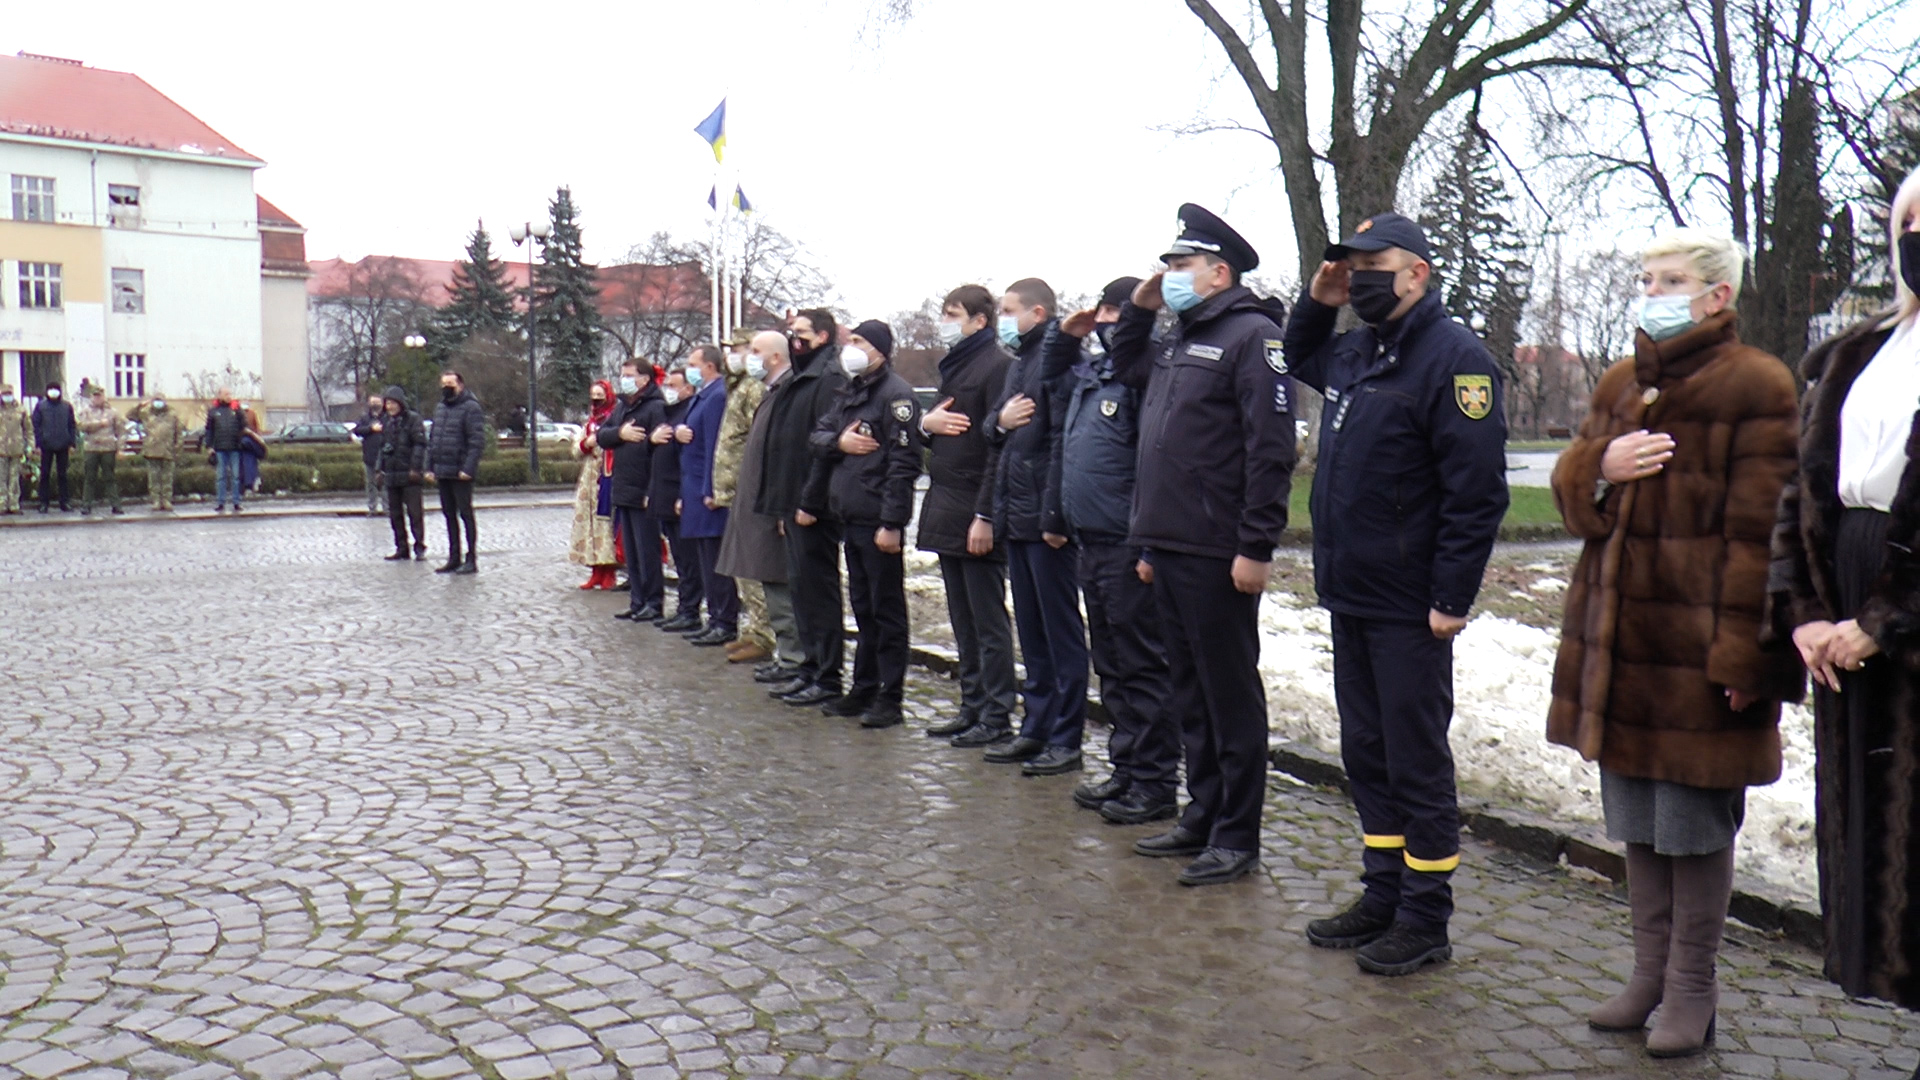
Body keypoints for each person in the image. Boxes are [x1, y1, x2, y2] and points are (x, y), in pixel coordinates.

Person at [1543, 229, 1799, 1054]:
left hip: (1696, 652)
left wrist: (1749, 658)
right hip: (1620, 650)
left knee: (1693, 824)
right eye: (1647, 278)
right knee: (1638, 822)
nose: (1652, 291)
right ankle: (1648, 974)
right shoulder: (1622, 381)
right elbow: (1575, 497)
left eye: (1671, 280)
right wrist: (1597, 468)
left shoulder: (1755, 385)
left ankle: (1694, 988)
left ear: (1717, 296)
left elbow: (1765, 535)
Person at [1283, 212, 1508, 971]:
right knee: (1368, 751)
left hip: (1413, 604)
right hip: (1353, 592)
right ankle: (1382, 892)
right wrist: (1316, 299)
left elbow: (1477, 495)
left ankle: (1425, 917)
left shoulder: (1457, 360)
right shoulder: (1357, 351)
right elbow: (1298, 354)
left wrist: (1452, 597)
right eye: (1351, 266)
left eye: (1372, 264)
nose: (1359, 277)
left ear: (1417, 272)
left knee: (1415, 758)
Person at [1768, 171, 1920, 1027]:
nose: (1917, 239)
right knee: (1874, 854)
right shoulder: (1856, 351)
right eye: (1907, 223)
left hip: (1903, 613)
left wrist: (1884, 622)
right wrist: (1810, 617)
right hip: (1848, 606)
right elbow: (1801, 495)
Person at [1107, 204, 1296, 888]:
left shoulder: (1253, 336)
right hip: (1170, 542)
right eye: (1167, 267)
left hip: (1220, 549)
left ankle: (1237, 835)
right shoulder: (1180, 337)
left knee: (1228, 694)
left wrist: (1257, 543)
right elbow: (1125, 362)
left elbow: (1271, 449)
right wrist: (1138, 303)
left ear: (1220, 272)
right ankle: (1203, 813)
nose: (1170, 276)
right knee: (1190, 691)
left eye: (1180, 266)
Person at [1049, 277, 1180, 822]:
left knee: (1142, 666)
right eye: (1102, 309)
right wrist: (1062, 337)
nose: (1107, 320)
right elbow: (1044, 383)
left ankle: (1155, 783)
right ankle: (1126, 769)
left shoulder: (1141, 374)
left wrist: (1147, 544)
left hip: (1128, 544)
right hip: (1090, 541)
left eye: (1118, 312)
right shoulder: (1091, 375)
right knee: (1113, 665)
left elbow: (1155, 462)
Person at [984, 278, 1088, 776]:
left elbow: (1065, 443)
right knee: (1032, 631)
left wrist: (1055, 517)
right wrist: (1000, 421)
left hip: (1047, 522)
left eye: (1008, 309)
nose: (1004, 317)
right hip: (1018, 516)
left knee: (1060, 633)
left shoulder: (1059, 362)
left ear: (1038, 312)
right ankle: (1037, 727)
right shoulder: (1020, 363)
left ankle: (1067, 738)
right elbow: (994, 429)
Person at [801, 320, 923, 729]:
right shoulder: (849, 393)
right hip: (848, 514)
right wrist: (839, 443)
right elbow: (816, 438)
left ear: (880, 351)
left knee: (886, 611)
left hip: (876, 519)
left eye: (857, 342)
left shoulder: (896, 396)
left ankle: (890, 696)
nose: (848, 348)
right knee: (863, 608)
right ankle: (864, 687)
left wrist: (892, 522)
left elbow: (904, 465)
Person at [920, 285, 1018, 746]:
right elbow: (942, 430)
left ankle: (996, 714)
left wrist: (986, 514)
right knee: (962, 617)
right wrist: (925, 426)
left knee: (987, 620)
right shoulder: (957, 364)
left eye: (953, 313)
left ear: (980, 320)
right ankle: (972, 704)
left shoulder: (997, 366)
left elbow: (997, 448)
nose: (945, 320)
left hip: (974, 508)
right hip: (947, 503)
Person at [756, 310, 849, 707]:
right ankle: (809, 668)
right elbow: (785, 446)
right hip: (792, 504)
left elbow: (821, 448)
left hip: (813, 507)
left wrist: (809, 502)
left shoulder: (827, 379)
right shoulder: (800, 376)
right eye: (791, 333)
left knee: (819, 593)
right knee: (802, 592)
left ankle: (826, 675)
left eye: (803, 333)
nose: (794, 339)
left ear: (823, 336)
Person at [719, 332, 809, 683]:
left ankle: (790, 656)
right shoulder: (772, 390)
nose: (747, 358)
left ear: (774, 357)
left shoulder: (784, 391)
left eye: (754, 351)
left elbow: (788, 453)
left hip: (773, 503)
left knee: (775, 580)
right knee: (764, 578)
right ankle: (785, 653)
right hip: (756, 496)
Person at [714, 333, 771, 663]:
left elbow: (757, 438)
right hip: (732, 489)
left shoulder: (755, 387)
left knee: (752, 569)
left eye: (739, 350)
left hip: (746, 488)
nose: (733, 355)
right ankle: (752, 630)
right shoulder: (737, 384)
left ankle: (764, 635)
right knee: (741, 570)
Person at [679, 345, 740, 646]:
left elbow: (717, 447)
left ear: (710, 367)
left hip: (708, 490)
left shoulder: (716, 396)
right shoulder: (705, 394)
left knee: (716, 560)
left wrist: (713, 488)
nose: (689, 369)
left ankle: (725, 620)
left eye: (693, 364)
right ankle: (715, 617)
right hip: (695, 487)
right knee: (705, 557)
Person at [602, 359, 669, 621]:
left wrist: (652, 489)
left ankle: (653, 602)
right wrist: (621, 433)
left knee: (648, 549)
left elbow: (659, 448)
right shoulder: (622, 407)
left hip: (644, 489)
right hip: (624, 487)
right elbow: (603, 436)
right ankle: (637, 599)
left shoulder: (656, 407)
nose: (624, 379)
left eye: (629, 375)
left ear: (644, 379)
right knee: (631, 550)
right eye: (622, 375)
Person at [652, 365, 704, 631]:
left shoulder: (689, 412)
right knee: (681, 559)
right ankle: (685, 607)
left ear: (688, 387)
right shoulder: (670, 412)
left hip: (680, 495)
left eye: (673, 385)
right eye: (668, 385)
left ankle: (691, 609)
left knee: (689, 559)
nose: (668, 391)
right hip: (665, 494)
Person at [427, 371, 486, 574]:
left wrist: (468, 469)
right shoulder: (441, 408)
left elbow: (476, 442)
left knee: (465, 514)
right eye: (443, 383)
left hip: (461, 472)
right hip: (443, 470)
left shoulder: (471, 408)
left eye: (450, 383)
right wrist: (429, 467)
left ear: (460, 385)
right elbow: (433, 438)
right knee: (449, 515)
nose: (446, 387)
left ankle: (471, 559)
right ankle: (454, 557)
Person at [570, 380, 620, 589]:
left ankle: (609, 571)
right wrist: (585, 444)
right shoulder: (589, 423)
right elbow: (575, 451)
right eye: (593, 394)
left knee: (605, 525)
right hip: (589, 480)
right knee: (589, 525)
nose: (596, 399)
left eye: (600, 394)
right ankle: (595, 571)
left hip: (607, 477)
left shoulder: (614, 419)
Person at [376, 386, 429, 561]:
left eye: (392, 403)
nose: (390, 407)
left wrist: (416, 468)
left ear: (400, 403)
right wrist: (379, 469)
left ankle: (419, 546)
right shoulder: (386, 422)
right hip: (392, 474)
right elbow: (382, 448)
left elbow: (420, 445)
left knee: (415, 513)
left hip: (409, 474)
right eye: (387, 403)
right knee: (395, 514)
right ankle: (402, 547)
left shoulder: (412, 419)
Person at [75, 385, 126, 516]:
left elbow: (121, 431)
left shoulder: (113, 412)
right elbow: (81, 426)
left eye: (100, 396)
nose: (97, 398)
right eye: (95, 396)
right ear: (91, 397)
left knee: (110, 478)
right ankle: (86, 506)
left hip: (108, 449)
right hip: (91, 449)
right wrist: (99, 424)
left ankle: (116, 505)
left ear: (104, 396)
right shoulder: (85, 411)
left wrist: (120, 449)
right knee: (89, 478)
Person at [131, 393, 186, 512]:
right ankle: (156, 500)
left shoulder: (172, 414)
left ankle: (166, 500)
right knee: (153, 478)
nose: (158, 403)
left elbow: (179, 432)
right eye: (156, 400)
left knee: (167, 478)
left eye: (160, 400)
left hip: (168, 450)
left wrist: (177, 448)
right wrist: (140, 405)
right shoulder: (146, 412)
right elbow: (130, 415)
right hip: (151, 450)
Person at [32, 382, 76, 513]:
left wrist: (72, 443)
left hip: (63, 444)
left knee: (63, 475)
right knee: (45, 474)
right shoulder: (41, 406)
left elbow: (72, 425)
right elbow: (36, 426)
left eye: (56, 389)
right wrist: (38, 444)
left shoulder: (67, 406)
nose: (53, 392)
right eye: (51, 389)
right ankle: (43, 503)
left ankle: (64, 502)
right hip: (46, 445)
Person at [204, 388, 248, 513]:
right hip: (220, 448)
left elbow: (244, 425)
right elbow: (209, 430)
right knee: (221, 477)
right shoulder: (213, 411)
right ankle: (221, 502)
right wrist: (209, 446)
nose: (229, 396)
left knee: (235, 477)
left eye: (230, 393)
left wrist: (239, 410)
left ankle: (236, 502)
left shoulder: (236, 409)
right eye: (226, 394)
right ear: (220, 396)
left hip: (235, 447)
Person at [352, 392, 388, 517]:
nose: (375, 405)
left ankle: (387, 509)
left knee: (385, 484)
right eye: (373, 402)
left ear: (382, 404)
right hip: (369, 456)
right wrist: (371, 429)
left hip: (385, 456)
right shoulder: (365, 418)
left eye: (377, 402)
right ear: (368, 403)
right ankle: (372, 508)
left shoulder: (387, 417)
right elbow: (357, 431)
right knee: (370, 484)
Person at [0, 385, 32, 514]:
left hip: (17, 449)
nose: (7, 396)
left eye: (9, 393)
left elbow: (28, 430)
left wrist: (30, 445)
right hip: (1, 450)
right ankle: (1, 504)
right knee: (1, 478)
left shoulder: (21, 409)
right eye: (4, 393)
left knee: (14, 478)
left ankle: (14, 505)